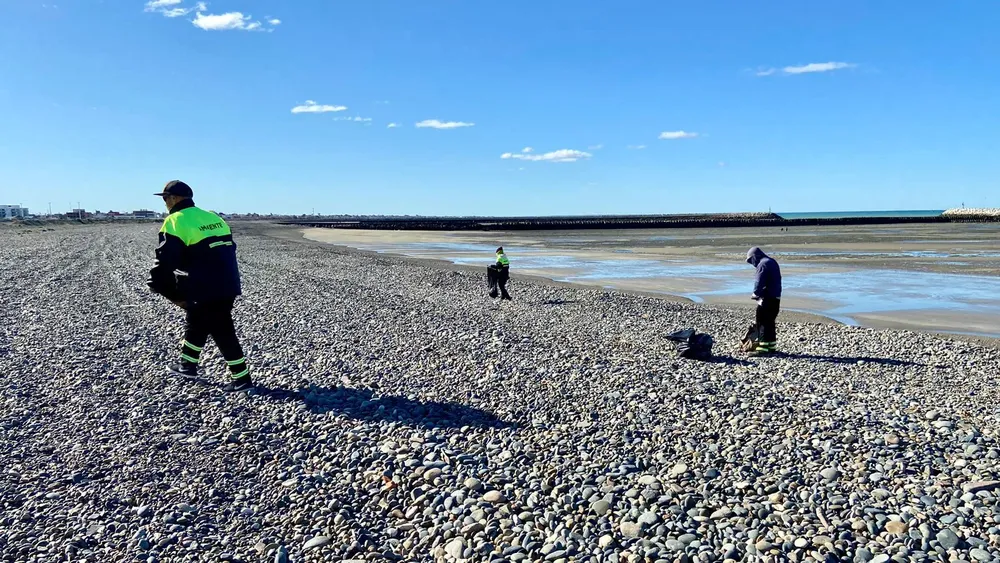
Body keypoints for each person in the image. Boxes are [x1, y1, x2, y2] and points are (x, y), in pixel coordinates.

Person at [146, 180, 253, 391]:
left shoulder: (175, 221)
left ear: (175, 198)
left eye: (166, 198)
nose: (165, 203)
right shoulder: (213, 216)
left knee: (221, 328)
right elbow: (229, 248)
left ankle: (242, 379)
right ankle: (187, 365)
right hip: (228, 281)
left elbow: (166, 258)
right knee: (197, 319)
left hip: (204, 285)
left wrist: (157, 283)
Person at [746, 247, 782, 354]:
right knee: (770, 321)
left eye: (750, 260)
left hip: (767, 298)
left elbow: (759, 280)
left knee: (762, 321)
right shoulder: (771, 261)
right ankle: (771, 345)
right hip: (775, 297)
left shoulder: (763, 264)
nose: (752, 263)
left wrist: (756, 293)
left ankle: (763, 347)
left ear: (755, 257)